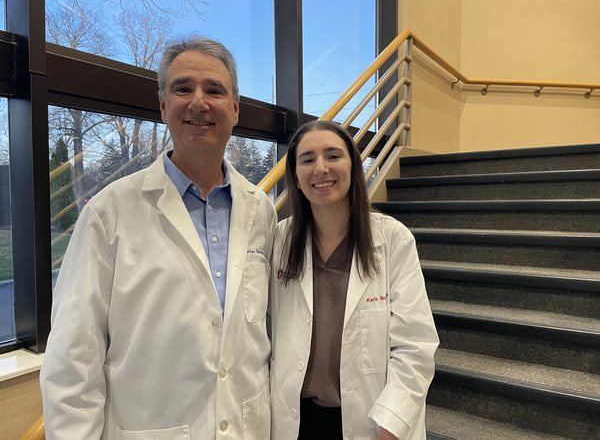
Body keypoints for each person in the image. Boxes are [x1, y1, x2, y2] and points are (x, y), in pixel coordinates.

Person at [40, 37, 276, 440]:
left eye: (214, 90)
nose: (199, 102)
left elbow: (259, 337)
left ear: (235, 110)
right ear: (163, 106)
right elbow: (72, 358)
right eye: (183, 89)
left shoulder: (261, 210)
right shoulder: (108, 212)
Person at [269, 120, 439, 440]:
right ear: (295, 176)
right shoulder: (279, 240)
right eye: (307, 159)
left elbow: (415, 346)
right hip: (293, 419)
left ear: (353, 166)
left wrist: (391, 426)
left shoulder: (392, 239)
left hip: (371, 421)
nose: (320, 168)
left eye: (333, 156)